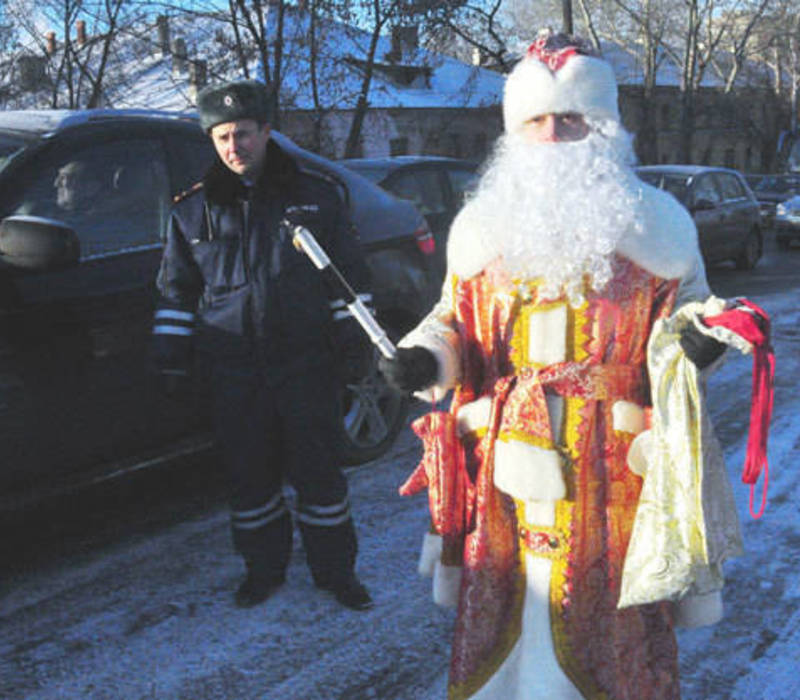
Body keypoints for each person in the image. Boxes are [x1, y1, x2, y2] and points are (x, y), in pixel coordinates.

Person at [380, 30, 751, 699]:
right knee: (513, 596)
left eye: (572, 117)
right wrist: (424, 356)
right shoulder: (482, 228)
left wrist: (700, 343)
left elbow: (691, 313)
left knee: (606, 615)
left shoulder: (658, 227)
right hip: (505, 463)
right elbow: (452, 320)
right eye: (537, 120)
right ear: (515, 132)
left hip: (613, 466)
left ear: (603, 126)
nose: (554, 134)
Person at [151, 79, 373, 611]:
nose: (234, 147)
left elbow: (348, 280)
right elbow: (176, 292)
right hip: (234, 372)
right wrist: (171, 359)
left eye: (244, 134)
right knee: (250, 478)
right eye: (222, 137)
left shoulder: (315, 196)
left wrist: (354, 342)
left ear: (267, 131)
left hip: (304, 364)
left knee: (319, 475)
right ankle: (263, 569)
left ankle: (336, 572)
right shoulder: (191, 212)